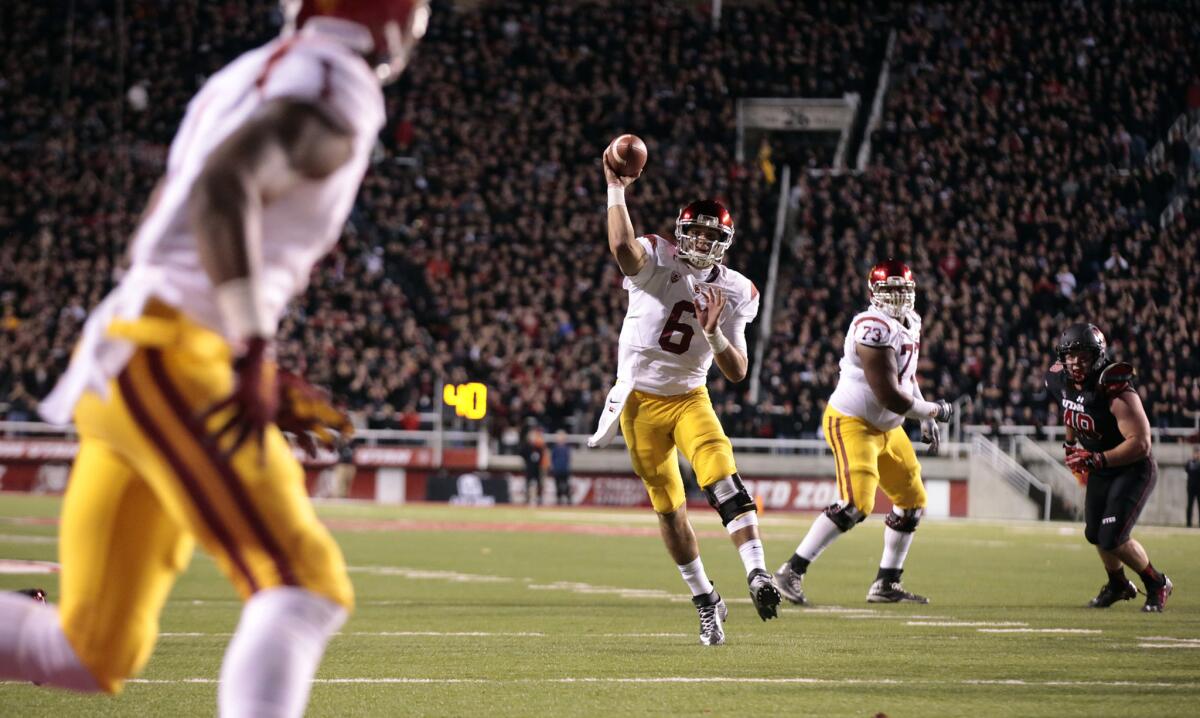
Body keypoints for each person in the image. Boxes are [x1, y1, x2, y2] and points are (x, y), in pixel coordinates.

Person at [0, 2, 429, 715]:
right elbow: (224, 189)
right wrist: (251, 346)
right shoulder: (337, 82)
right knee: (304, 583)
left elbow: (166, 220)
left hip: (142, 349)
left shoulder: (247, 74)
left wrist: (228, 351)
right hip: (169, 352)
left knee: (92, 649)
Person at [589, 151, 780, 647]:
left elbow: (737, 371)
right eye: (694, 232)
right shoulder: (656, 257)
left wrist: (715, 335)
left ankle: (758, 573)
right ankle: (706, 600)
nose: (701, 242)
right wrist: (616, 189)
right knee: (670, 508)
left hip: (690, 397)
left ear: (725, 244)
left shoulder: (738, 291)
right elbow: (622, 249)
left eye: (712, 236)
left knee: (720, 473)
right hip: (638, 402)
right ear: (680, 232)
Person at [774, 260, 955, 606]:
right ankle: (790, 572)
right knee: (856, 503)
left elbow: (907, 376)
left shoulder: (910, 322)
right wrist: (934, 409)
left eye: (904, 291)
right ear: (873, 294)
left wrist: (924, 416)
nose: (899, 299)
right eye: (891, 291)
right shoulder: (871, 327)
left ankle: (887, 582)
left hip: (890, 427)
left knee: (912, 501)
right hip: (852, 422)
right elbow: (888, 393)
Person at [1047, 323, 1172, 611]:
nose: (1075, 363)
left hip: (1132, 467)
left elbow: (1141, 443)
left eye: (1083, 356)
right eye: (1070, 356)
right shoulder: (1060, 381)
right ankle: (1117, 584)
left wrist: (1097, 459)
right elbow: (1070, 410)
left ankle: (1156, 582)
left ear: (1098, 356)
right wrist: (1070, 447)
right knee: (1095, 534)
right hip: (1099, 465)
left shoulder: (1114, 387)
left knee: (1112, 536)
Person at [520, 424, 547, 505]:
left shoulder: (538, 447)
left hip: (537, 468)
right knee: (528, 483)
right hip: (529, 468)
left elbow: (542, 455)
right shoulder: (526, 447)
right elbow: (522, 453)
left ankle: (539, 498)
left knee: (539, 483)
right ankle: (527, 498)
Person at [551, 430, 572, 505]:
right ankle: (559, 500)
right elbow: (553, 459)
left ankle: (568, 499)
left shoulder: (566, 448)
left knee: (566, 485)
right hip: (557, 469)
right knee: (557, 485)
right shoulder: (555, 448)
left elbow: (567, 459)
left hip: (564, 470)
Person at [1187, 446, 1200, 528]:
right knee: (1190, 505)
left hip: (1199, 488)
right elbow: (1187, 469)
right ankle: (1189, 523)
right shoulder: (1190, 462)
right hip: (1191, 487)